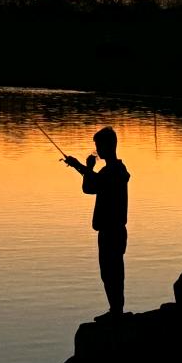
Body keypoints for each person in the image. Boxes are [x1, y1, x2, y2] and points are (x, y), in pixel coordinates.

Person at [64, 126, 130, 321]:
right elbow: (96, 181)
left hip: (111, 231)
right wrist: (78, 166)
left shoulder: (112, 171)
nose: (97, 150)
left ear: (108, 146)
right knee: (111, 272)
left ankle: (116, 312)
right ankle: (115, 310)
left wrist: (88, 168)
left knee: (112, 273)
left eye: (99, 146)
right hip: (113, 231)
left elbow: (89, 187)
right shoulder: (116, 170)